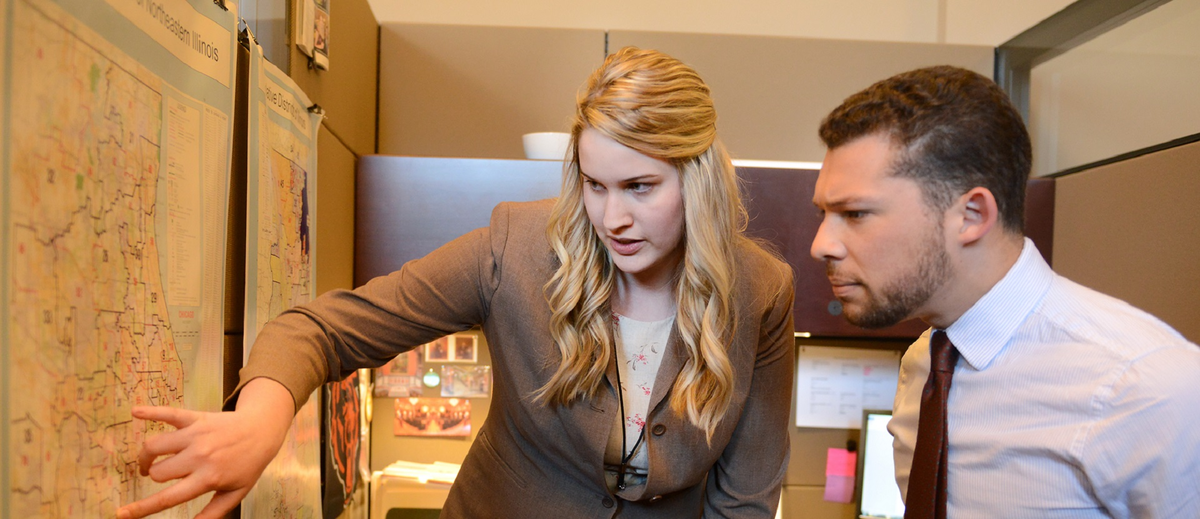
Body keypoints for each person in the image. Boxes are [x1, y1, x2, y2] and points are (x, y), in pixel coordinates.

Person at [117, 46, 796, 519]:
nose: (611, 217)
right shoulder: (517, 248)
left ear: (697, 179)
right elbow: (322, 330)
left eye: (640, 187)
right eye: (595, 185)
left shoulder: (762, 292)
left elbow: (743, 501)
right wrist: (259, 421)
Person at [810, 65, 1200, 518]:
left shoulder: (1145, 385)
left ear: (972, 216)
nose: (821, 245)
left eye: (855, 214)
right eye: (823, 214)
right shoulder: (925, 365)